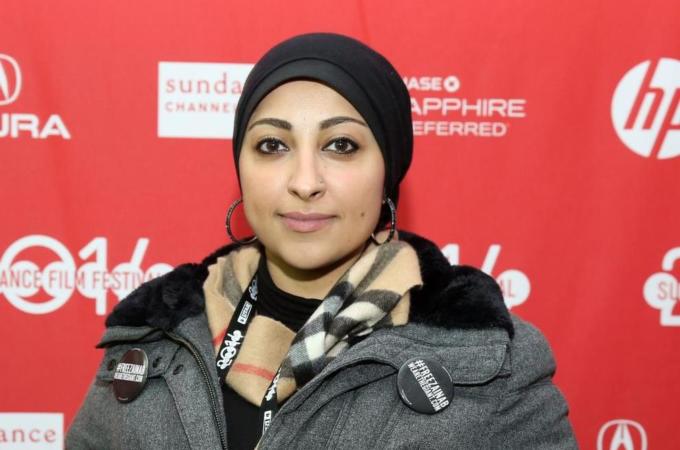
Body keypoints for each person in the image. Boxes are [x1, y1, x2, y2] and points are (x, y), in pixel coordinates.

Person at [66, 32, 577, 449]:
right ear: (240, 169)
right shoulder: (152, 336)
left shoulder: (492, 362)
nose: (305, 181)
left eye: (341, 145)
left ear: (387, 173)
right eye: (272, 145)